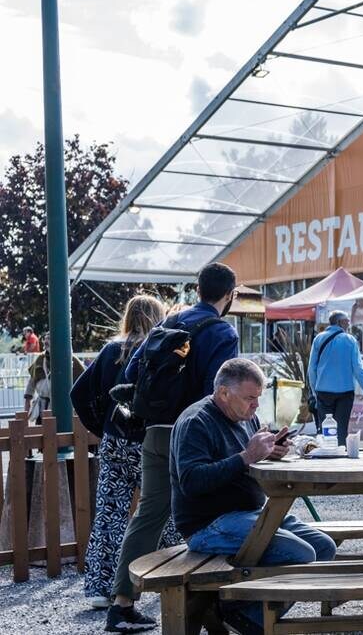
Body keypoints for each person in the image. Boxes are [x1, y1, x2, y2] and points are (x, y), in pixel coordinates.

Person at [106, 262, 239, 633]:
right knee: (218, 513)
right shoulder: (222, 331)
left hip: (157, 431)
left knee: (149, 515)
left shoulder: (167, 323)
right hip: (196, 433)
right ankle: (218, 608)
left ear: (198, 289)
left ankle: (121, 604)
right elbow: (220, 391)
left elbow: (130, 374)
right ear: (230, 295)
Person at [172, 359, 335, 634]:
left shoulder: (246, 418)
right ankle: (242, 614)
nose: (256, 405)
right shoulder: (196, 421)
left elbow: (245, 459)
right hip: (208, 524)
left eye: (258, 398)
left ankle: (245, 613)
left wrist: (270, 452)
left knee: (324, 547)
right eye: (250, 398)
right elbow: (191, 481)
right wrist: (247, 457)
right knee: (302, 554)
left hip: (248, 515)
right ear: (224, 393)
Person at [70, 295, 182, 611]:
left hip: (115, 441)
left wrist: (101, 425)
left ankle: (101, 587)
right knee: (162, 512)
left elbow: (79, 393)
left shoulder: (111, 351)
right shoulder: (162, 351)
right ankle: (173, 575)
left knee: (110, 514)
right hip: (151, 442)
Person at [307, 310, 363, 446]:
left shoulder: (319, 339)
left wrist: (314, 391)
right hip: (345, 391)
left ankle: (327, 452)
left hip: (323, 391)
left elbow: (311, 368)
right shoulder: (350, 340)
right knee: (341, 429)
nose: (348, 323)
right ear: (340, 322)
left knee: (326, 429)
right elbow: (358, 368)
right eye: (347, 321)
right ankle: (341, 452)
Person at [23, 341, 86, 422]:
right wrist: (27, 401)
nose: (46, 342)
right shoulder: (40, 359)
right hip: (43, 408)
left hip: (66, 407)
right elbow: (31, 383)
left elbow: (83, 384)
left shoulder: (72, 360)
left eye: (49, 339)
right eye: (46, 339)